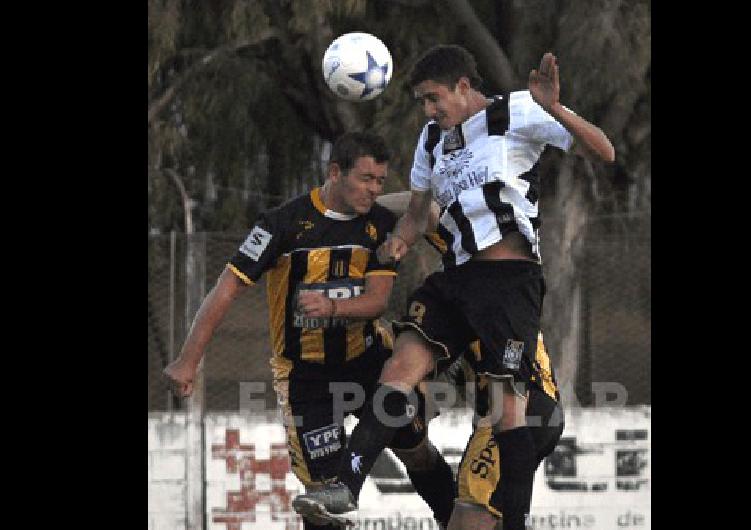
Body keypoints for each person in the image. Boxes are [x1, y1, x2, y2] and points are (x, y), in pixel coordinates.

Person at [292, 45, 613, 530]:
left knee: (509, 411)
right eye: (422, 101)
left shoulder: (519, 110)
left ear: (464, 86)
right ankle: (345, 486)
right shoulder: (430, 140)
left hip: (509, 281)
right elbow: (421, 213)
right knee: (401, 364)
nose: (428, 110)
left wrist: (555, 109)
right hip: (457, 279)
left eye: (433, 98)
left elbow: (603, 151)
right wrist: (397, 242)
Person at [162, 132, 455, 530]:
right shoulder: (282, 225)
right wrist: (187, 360)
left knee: (416, 451)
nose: (374, 189)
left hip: (369, 364)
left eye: (380, 182)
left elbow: (377, 302)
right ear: (335, 172)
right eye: (366, 178)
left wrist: (333, 307)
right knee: (322, 498)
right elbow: (226, 288)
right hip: (306, 378)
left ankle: (460, 521)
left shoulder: (381, 226)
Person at [377, 191, 565, 530]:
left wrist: (354, 206)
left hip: (525, 406)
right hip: (517, 412)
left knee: (469, 519)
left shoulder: (480, 260)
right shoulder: (446, 302)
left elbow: (426, 208)